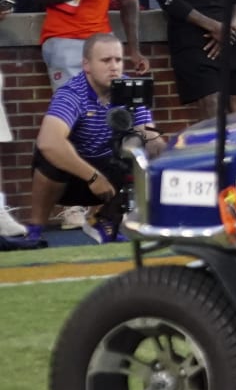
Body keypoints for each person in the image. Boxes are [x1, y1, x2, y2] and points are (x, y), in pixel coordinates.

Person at [15, 33, 165, 247]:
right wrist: (93, 177)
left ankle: (106, 220)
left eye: (118, 60)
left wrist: (157, 146)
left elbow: (148, 133)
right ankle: (36, 228)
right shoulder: (72, 93)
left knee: (140, 151)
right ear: (87, 65)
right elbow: (48, 142)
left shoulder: (130, 89)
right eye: (106, 61)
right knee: (49, 155)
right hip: (71, 180)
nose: (114, 67)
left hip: (110, 175)